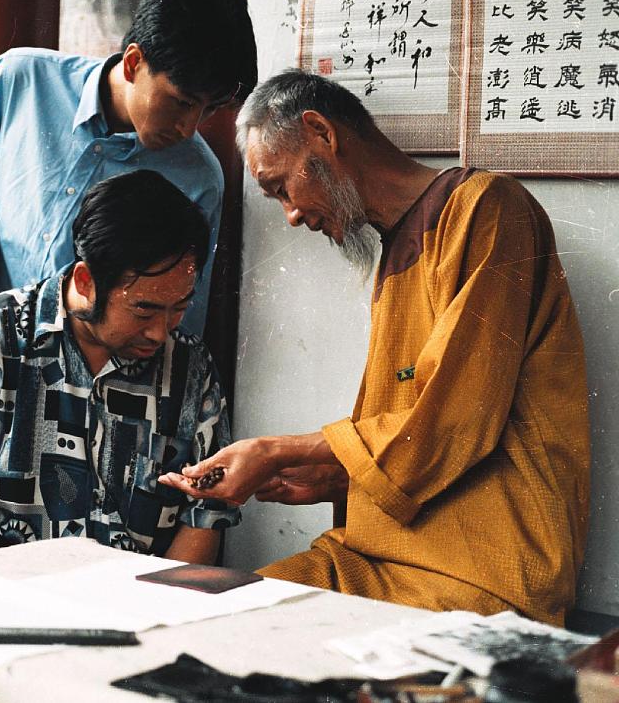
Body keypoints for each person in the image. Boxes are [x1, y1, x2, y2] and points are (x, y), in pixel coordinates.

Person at [160, 70, 590, 626]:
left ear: (321, 133)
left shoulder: (487, 209)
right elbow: (411, 432)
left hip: (480, 572)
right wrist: (332, 477)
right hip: (376, 553)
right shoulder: (391, 250)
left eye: (281, 186)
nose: (291, 214)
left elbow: (455, 421)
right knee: (202, 616)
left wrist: (279, 451)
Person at [0, 170, 238, 563]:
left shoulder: (190, 368)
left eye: (179, 308)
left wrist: (162, 614)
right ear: (85, 281)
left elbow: (204, 514)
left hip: (136, 605)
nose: (160, 333)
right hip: (2, 595)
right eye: (143, 310)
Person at [0, 0, 257, 336]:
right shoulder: (23, 78)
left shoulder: (197, 177)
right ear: (134, 62)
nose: (189, 127)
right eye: (181, 103)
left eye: (208, 110)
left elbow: (181, 321)